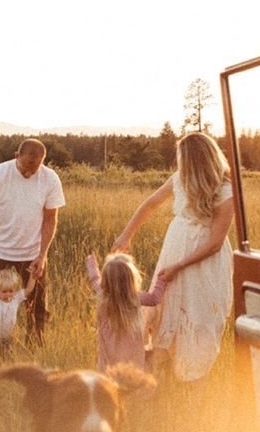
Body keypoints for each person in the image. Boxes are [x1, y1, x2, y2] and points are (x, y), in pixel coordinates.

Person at [112, 132, 234, 382]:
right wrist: (126, 235)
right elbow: (150, 204)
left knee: (199, 314)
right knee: (165, 308)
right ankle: (162, 375)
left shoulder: (225, 189)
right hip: (176, 247)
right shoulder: (179, 179)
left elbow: (214, 244)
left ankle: (194, 376)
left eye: (182, 157)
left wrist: (179, 266)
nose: (178, 162)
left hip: (203, 261)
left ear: (194, 159)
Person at [0, 138, 65, 343]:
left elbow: (51, 219)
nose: (29, 173)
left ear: (43, 161)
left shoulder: (50, 179)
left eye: (35, 169)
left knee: (37, 309)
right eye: (26, 168)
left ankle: (34, 350)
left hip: (32, 254)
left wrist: (42, 255)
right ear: (17, 156)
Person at [85, 252, 166, 372]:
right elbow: (155, 298)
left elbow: (95, 280)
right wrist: (162, 280)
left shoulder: (103, 297)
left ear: (106, 281)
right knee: (133, 381)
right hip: (133, 363)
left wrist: (91, 265)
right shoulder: (135, 299)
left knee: (109, 383)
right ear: (130, 280)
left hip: (108, 363)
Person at [0, 266, 35, 359]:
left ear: (14, 290)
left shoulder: (16, 299)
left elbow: (29, 290)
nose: (8, 294)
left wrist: (33, 276)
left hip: (8, 338)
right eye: (4, 291)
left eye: (11, 291)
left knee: (7, 359)